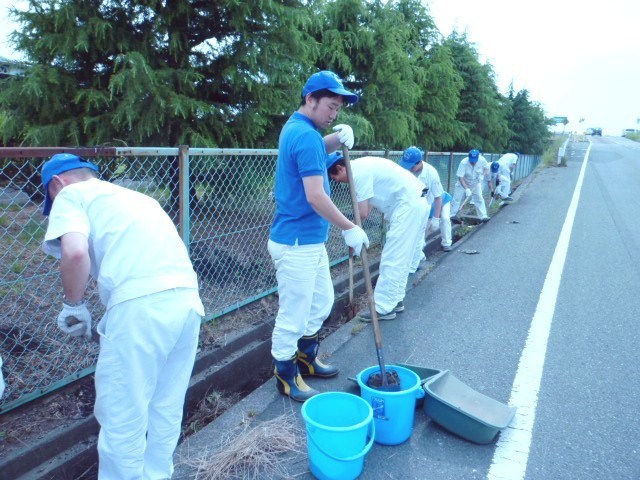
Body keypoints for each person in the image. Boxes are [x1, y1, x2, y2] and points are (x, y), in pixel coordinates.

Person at [41, 153, 204, 480]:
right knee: (166, 405)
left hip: (141, 310)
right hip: (187, 301)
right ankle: (158, 474)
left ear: (56, 184)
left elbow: (74, 252)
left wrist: (74, 305)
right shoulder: (137, 198)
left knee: (122, 416)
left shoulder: (70, 194)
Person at [268, 70, 369, 403]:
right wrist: (349, 227)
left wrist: (337, 138)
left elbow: (313, 150)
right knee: (294, 313)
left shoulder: (299, 129)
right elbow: (315, 195)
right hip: (296, 242)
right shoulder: (306, 135)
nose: (334, 113)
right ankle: (285, 374)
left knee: (322, 301)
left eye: (338, 108)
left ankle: (306, 358)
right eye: (330, 105)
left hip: (307, 240)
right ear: (310, 99)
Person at [327, 152, 428, 322]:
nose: (335, 181)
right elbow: (367, 206)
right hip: (415, 203)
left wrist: (350, 231)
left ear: (339, 167)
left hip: (408, 206)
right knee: (402, 258)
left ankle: (382, 308)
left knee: (393, 258)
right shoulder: (361, 166)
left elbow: (362, 212)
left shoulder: (357, 173)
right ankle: (394, 300)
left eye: (334, 177)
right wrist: (354, 229)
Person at [399, 146, 453, 254]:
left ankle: (446, 243)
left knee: (445, 219)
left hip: (441, 199)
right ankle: (419, 254)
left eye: (411, 166)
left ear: (419, 163)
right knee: (422, 231)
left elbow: (438, 198)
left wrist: (435, 219)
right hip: (425, 201)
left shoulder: (431, 173)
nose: (409, 168)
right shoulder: (406, 171)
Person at [450, 148, 490, 222]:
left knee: (479, 198)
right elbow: (460, 177)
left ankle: (483, 216)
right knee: (457, 199)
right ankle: (452, 215)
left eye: (475, 160)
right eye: (471, 160)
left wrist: (482, 175)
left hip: (475, 182)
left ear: (478, 157)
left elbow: (487, 168)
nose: (473, 163)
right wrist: (466, 189)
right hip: (463, 182)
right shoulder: (463, 162)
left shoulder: (482, 160)